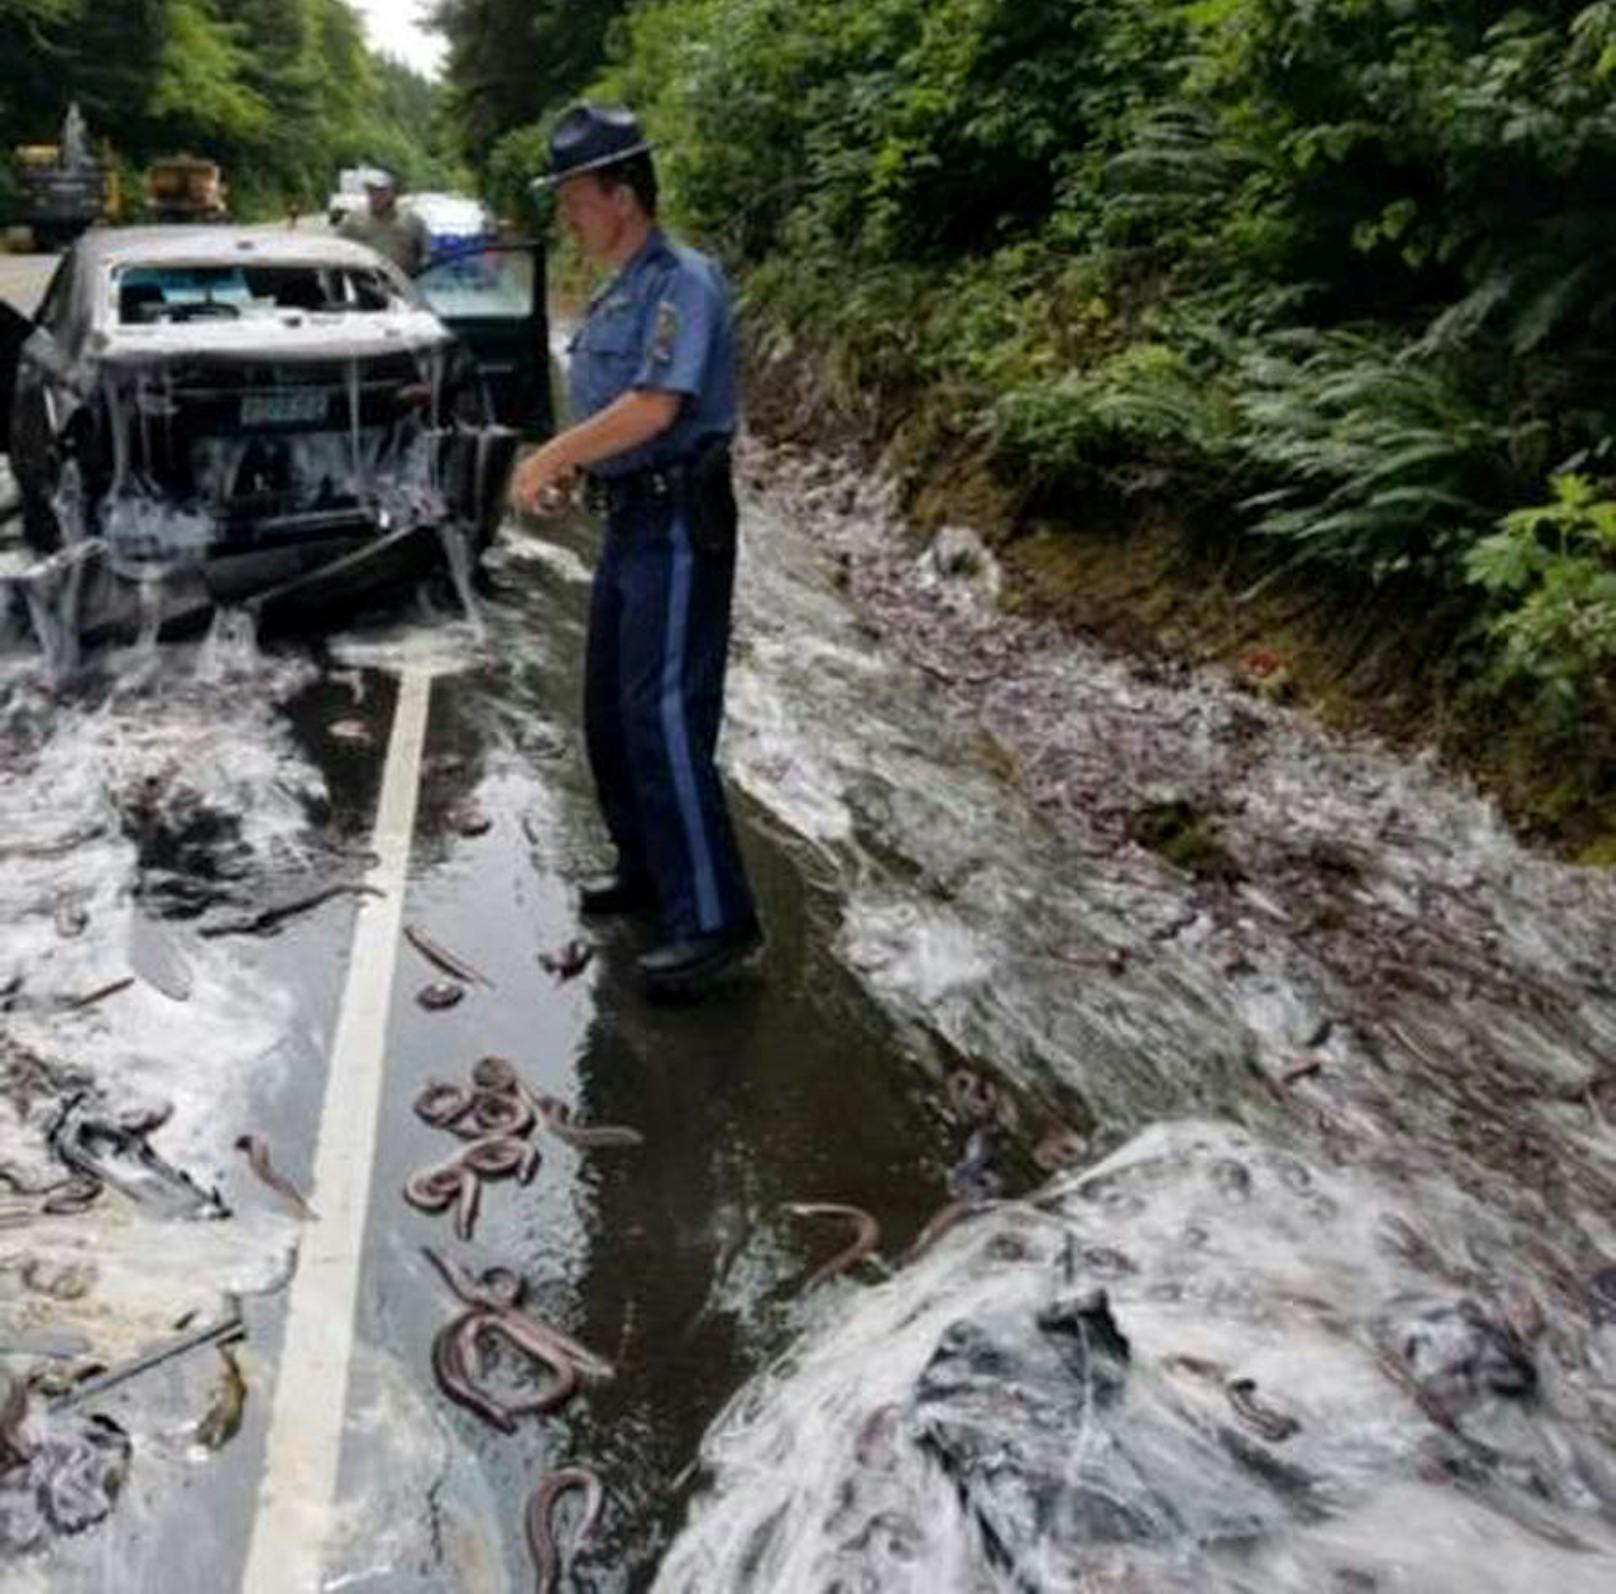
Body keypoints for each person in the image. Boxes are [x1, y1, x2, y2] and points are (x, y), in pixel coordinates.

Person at [510, 103, 761, 998]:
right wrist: (583, 468)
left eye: (575, 196)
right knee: (612, 713)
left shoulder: (683, 282)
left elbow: (658, 408)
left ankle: (716, 920)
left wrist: (549, 454)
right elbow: (621, 421)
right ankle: (650, 870)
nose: (568, 214)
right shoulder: (619, 291)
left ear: (621, 194)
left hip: (681, 523)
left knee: (663, 716)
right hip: (631, 518)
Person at [337, 169, 428, 275]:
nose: (375, 197)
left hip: (405, 284)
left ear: (392, 193)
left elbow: (426, 255)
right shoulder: (354, 221)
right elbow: (338, 252)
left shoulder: (411, 220)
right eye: (371, 192)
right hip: (368, 283)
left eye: (380, 192)